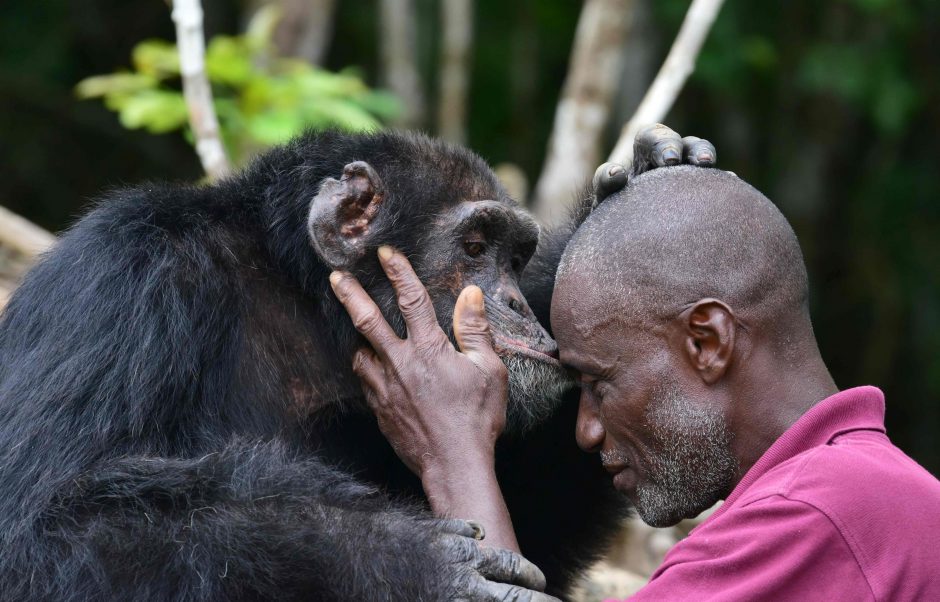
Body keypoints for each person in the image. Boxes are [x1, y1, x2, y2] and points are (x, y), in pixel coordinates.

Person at [328, 166, 940, 600]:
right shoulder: (867, 494)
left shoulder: (815, 516)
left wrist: (453, 455)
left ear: (708, 342)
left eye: (598, 383)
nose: (587, 430)